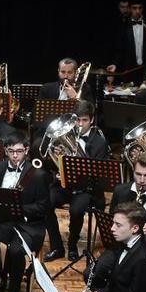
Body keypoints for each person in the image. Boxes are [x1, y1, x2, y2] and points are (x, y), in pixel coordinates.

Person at [0, 132, 50, 292]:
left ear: (27, 150)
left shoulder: (37, 174)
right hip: (3, 221)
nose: (15, 155)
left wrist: (20, 209)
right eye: (11, 151)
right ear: (5, 150)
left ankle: (13, 291)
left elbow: (43, 206)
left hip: (28, 225)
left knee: (15, 251)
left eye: (19, 151)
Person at [43, 100, 109, 262]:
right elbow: (48, 162)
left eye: (84, 120)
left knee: (77, 210)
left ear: (91, 120)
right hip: (64, 185)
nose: (80, 124)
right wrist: (57, 164)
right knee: (45, 203)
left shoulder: (99, 143)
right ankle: (57, 246)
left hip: (86, 188)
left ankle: (72, 245)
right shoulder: (64, 136)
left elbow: (99, 174)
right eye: (77, 120)